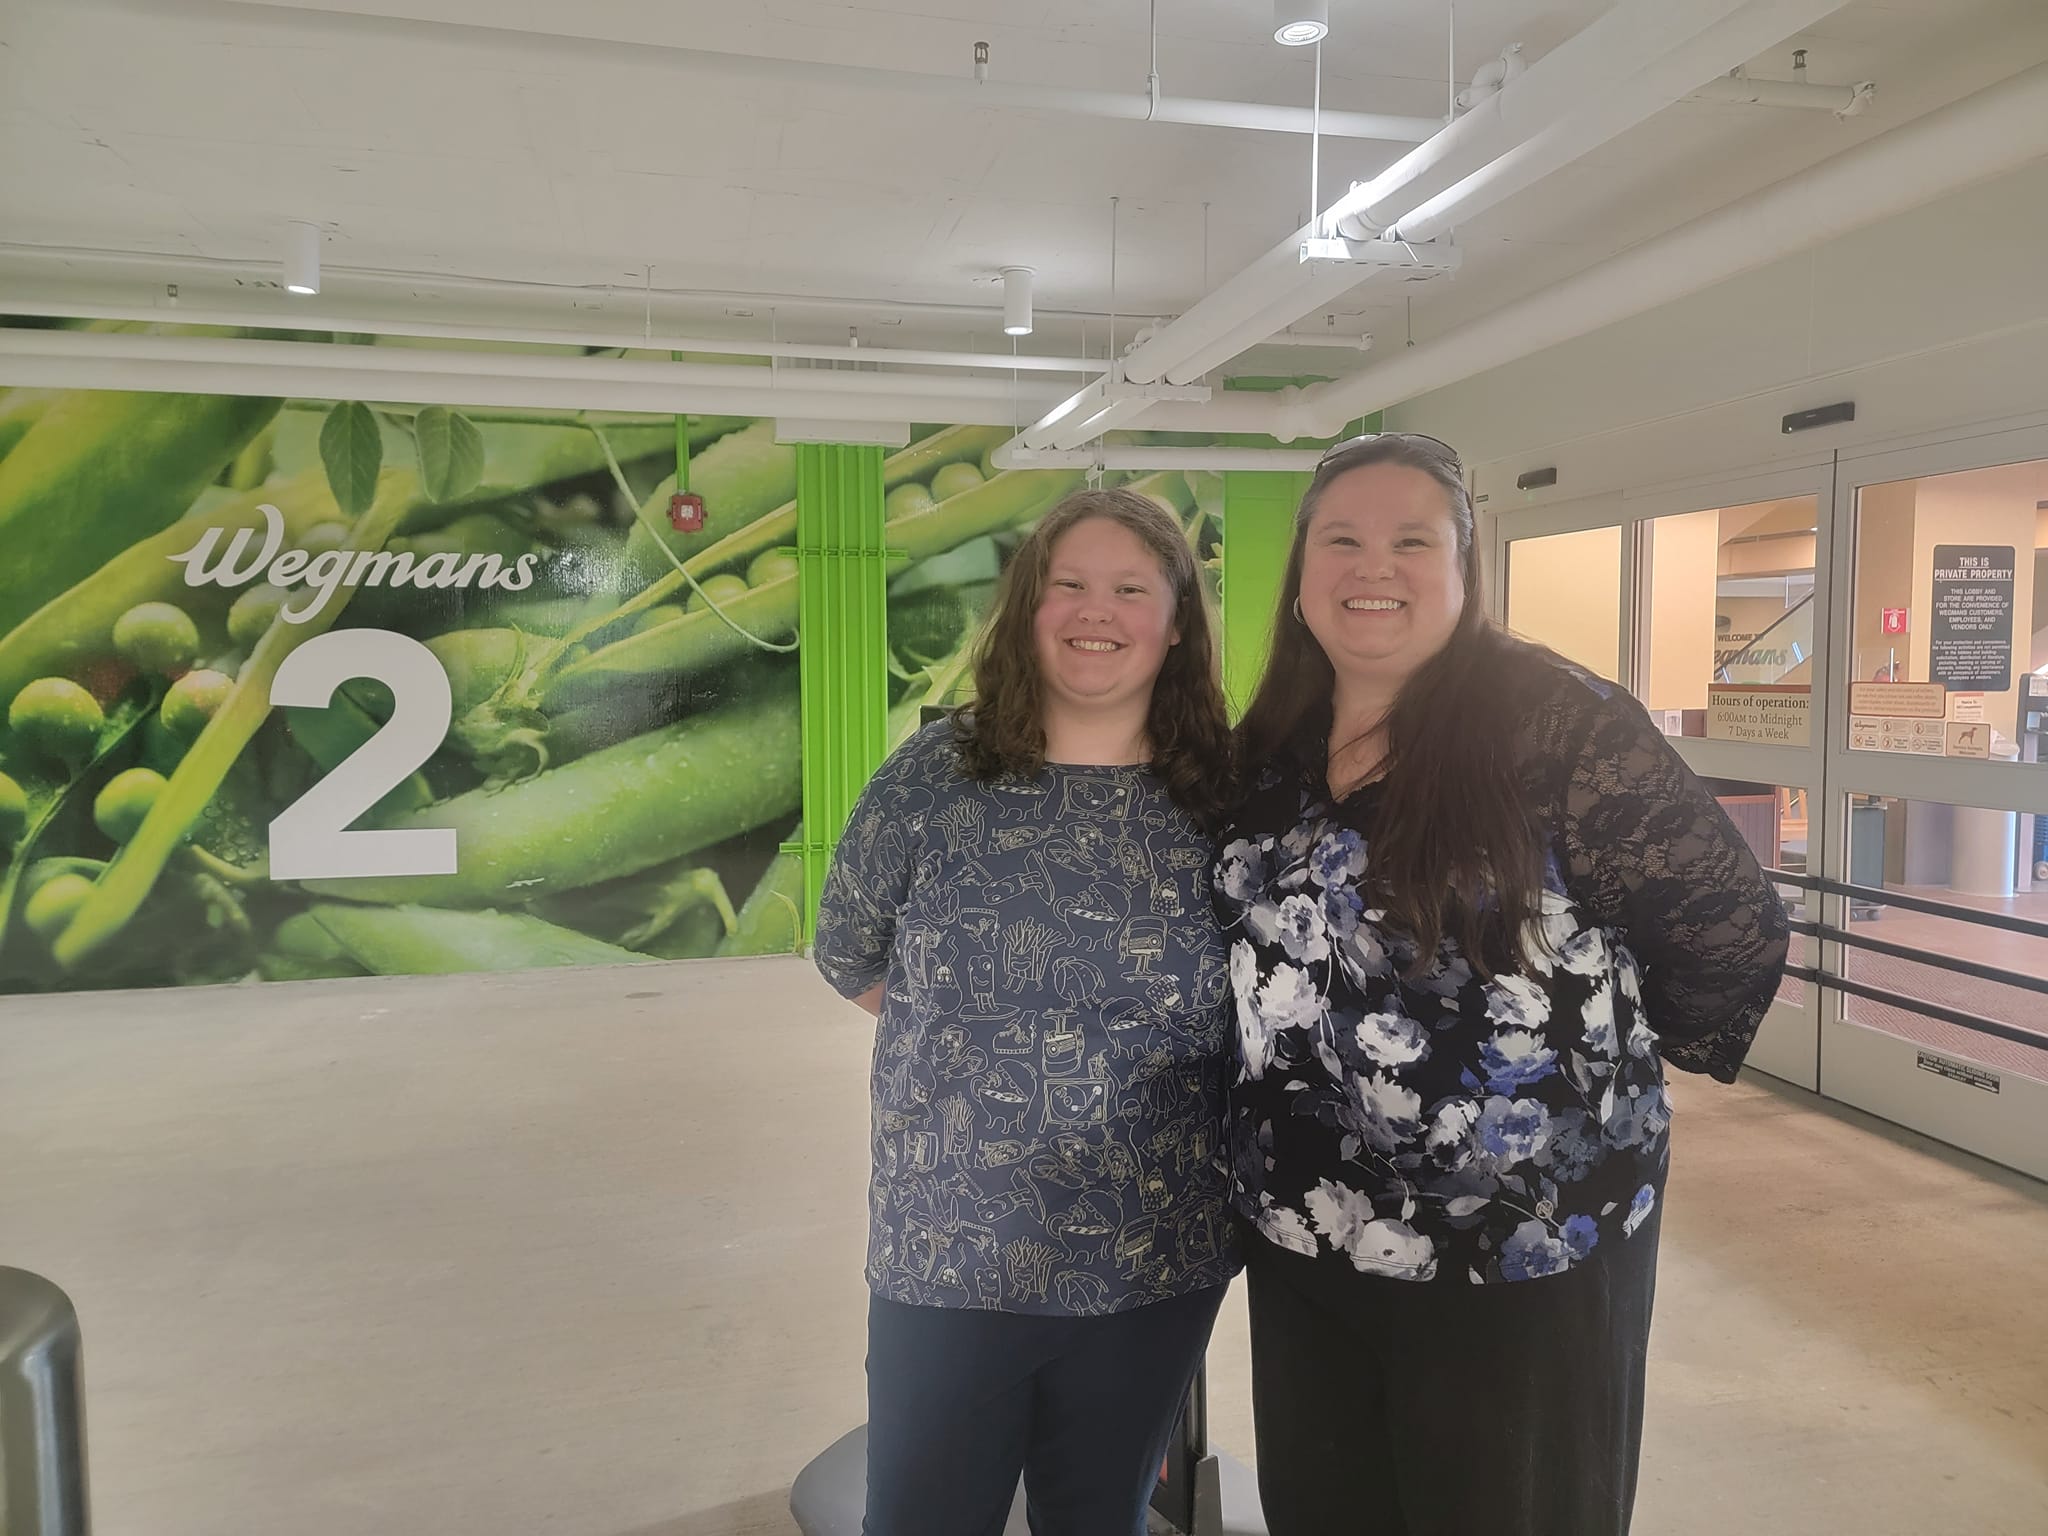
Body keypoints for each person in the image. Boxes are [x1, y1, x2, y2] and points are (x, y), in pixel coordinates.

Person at [1215, 433, 1790, 1536]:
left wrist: (1588, 1067)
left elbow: (1726, 926)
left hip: (1516, 1243)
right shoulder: (1274, 740)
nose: (1369, 567)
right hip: (1306, 1225)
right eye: (1339, 539)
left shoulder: (1558, 725)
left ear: (1465, 573)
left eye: (1409, 541)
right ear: (1298, 576)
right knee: (1328, 1506)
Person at [812, 486, 1242, 1536]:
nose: (1097, 611)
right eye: (1070, 585)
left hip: (1152, 1250)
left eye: (1130, 588)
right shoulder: (934, 775)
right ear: (1027, 607)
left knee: (1097, 1517)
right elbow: (847, 949)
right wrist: (972, 1049)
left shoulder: (1225, 797)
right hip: (952, 1246)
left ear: (1174, 619)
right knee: (921, 1517)